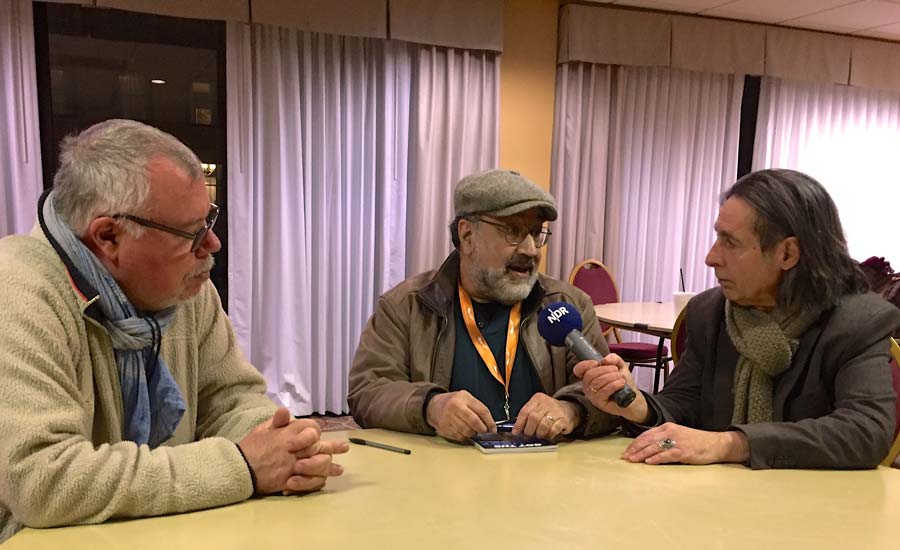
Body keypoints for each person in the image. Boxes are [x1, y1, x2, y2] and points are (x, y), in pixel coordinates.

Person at [0, 120, 348, 541]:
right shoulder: (17, 291)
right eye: (191, 232)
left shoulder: (185, 289)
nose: (213, 244)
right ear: (108, 236)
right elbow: (45, 481)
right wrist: (241, 465)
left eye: (209, 220)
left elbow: (231, 400)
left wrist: (286, 446)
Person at [576, 169, 900, 469]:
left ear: (787, 254)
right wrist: (636, 405)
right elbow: (682, 403)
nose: (711, 257)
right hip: (717, 506)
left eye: (730, 242)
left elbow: (865, 432)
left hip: (818, 514)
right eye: (718, 238)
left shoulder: (858, 321)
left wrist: (731, 444)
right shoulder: (709, 312)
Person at [348, 169, 617, 442]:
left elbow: (612, 394)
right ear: (467, 236)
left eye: (536, 234)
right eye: (513, 231)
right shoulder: (407, 306)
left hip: (545, 474)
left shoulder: (568, 305)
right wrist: (430, 406)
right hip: (442, 476)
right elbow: (367, 392)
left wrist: (570, 410)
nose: (530, 250)